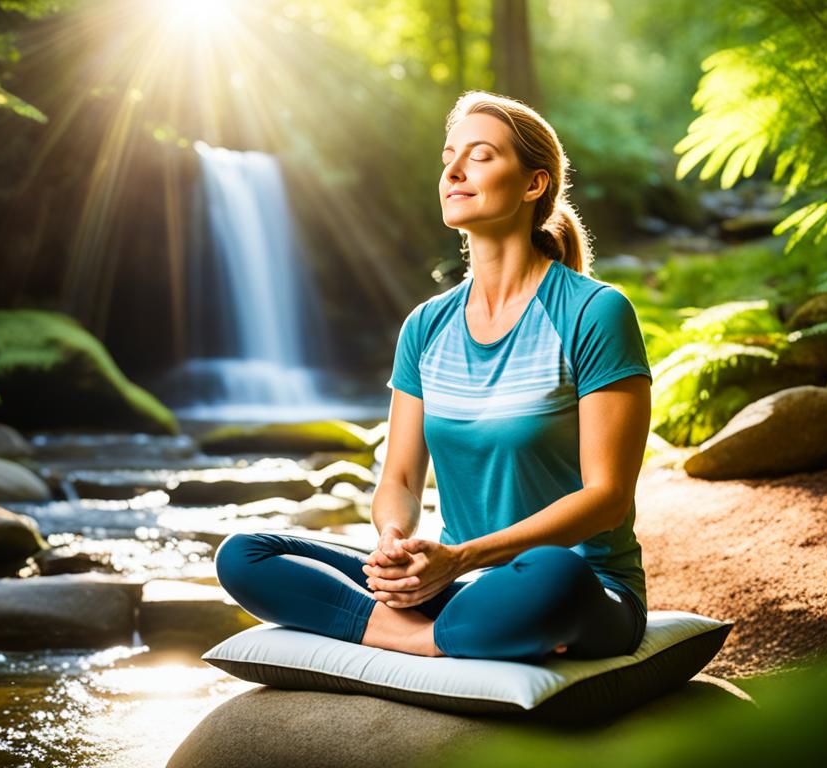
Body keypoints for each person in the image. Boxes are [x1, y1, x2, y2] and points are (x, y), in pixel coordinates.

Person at [214, 90, 653, 662]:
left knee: (552, 572)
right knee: (246, 552)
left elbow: (606, 498)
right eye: (449, 156)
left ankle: (413, 632)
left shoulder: (595, 312)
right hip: (458, 586)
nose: (452, 170)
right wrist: (394, 544)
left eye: (480, 155)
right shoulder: (426, 325)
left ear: (533, 184)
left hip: (583, 589)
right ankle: (423, 640)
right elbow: (398, 479)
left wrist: (463, 556)